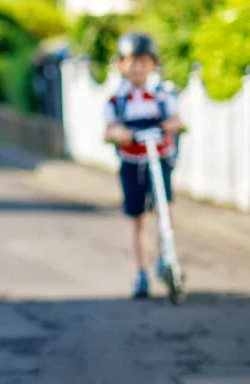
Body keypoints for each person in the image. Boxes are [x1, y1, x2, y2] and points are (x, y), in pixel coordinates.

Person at [104, 32, 183, 299]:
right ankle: (141, 272)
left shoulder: (162, 95)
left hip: (158, 160)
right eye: (132, 62)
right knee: (137, 219)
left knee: (165, 210)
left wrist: (171, 126)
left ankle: (166, 257)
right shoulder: (118, 100)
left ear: (153, 65)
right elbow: (109, 129)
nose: (137, 67)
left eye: (143, 62)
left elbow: (177, 120)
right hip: (132, 162)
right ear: (121, 65)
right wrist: (119, 134)